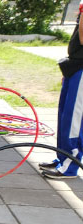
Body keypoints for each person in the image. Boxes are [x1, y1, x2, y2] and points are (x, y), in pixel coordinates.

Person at [41, 3, 83, 178]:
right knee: (65, 116)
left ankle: (70, 164)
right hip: (75, 66)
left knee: (74, 119)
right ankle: (62, 158)